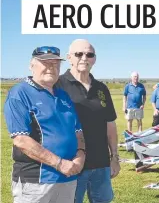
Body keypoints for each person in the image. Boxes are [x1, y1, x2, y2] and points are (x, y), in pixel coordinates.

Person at [5, 46, 85, 203]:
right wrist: (59, 163)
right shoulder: (20, 93)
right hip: (36, 182)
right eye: (45, 63)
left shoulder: (63, 96)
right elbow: (21, 140)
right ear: (32, 65)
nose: (51, 67)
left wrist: (81, 155)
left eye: (55, 64)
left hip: (68, 177)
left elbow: (78, 131)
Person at [55, 39, 119, 203]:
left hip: (101, 164)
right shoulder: (57, 85)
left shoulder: (101, 89)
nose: (84, 58)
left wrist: (114, 157)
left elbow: (110, 124)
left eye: (89, 54)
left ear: (94, 59)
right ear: (69, 58)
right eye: (79, 54)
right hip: (72, 164)